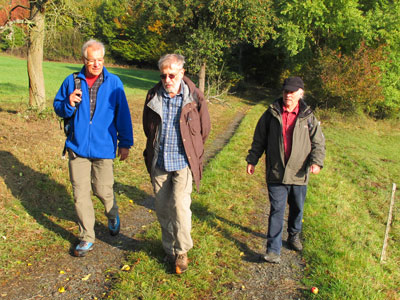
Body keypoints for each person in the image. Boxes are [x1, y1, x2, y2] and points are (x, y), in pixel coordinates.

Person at [53, 39, 134, 257]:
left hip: (104, 148)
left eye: (100, 60)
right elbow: (58, 107)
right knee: (80, 194)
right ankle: (86, 237)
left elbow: (123, 115)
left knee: (102, 189)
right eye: (92, 61)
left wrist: (125, 143)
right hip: (77, 148)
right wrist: (68, 102)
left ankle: (112, 213)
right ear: (83, 60)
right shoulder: (72, 81)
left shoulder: (114, 82)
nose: (96, 64)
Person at [142, 54, 211, 273]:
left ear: (182, 73)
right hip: (160, 162)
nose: (167, 79)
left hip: (183, 162)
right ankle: (168, 249)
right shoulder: (153, 95)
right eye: (163, 75)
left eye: (172, 75)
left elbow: (204, 130)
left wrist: (193, 151)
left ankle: (182, 251)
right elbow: (148, 128)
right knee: (162, 208)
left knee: (180, 207)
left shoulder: (194, 97)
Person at [246, 76, 325, 264]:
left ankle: (293, 235)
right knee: (277, 210)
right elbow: (259, 139)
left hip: (299, 173)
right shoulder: (271, 114)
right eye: (285, 91)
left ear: (300, 93)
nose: (288, 95)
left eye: (292, 92)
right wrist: (252, 159)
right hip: (276, 172)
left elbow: (318, 143)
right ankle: (273, 250)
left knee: (297, 208)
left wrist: (316, 162)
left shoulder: (309, 117)